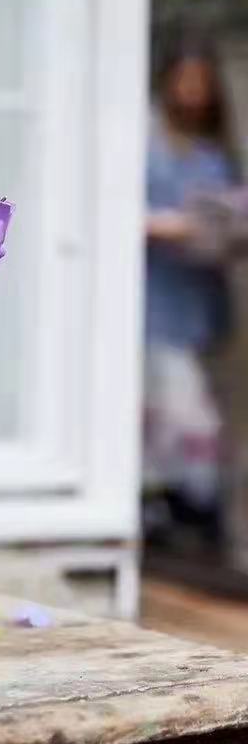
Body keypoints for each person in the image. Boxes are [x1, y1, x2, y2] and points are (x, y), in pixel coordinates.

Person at [144, 37, 236, 541]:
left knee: (196, 411)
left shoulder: (213, 151)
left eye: (202, 83)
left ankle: (189, 505)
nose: (193, 92)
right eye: (186, 81)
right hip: (157, 301)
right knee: (179, 411)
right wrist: (175, 225)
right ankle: (178, 503)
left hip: (203, 301)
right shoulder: (149, 143)